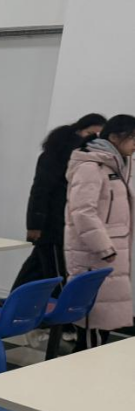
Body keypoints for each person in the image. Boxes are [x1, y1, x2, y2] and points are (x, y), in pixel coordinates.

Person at [65, 114, 135, 348]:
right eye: (133, 138)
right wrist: (104, 247)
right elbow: (83, 212)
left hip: (113, 254)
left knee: (103, 326)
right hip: (94, 255)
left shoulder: (119, 164)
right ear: (114, 137)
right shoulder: (90, 167)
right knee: (91, 326)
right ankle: (77, 370)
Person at [13, 113, 106, 289]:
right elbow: (40, 191)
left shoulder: (86, 159)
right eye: (89, 133)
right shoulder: (56, 155)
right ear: (78, 130)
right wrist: (34, 225)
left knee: (35, 269)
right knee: (57, 273)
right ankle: (59, 305)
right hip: (52, 224)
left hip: (66, 223)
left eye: (98, 136)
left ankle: (11, 302)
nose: (93, 139)